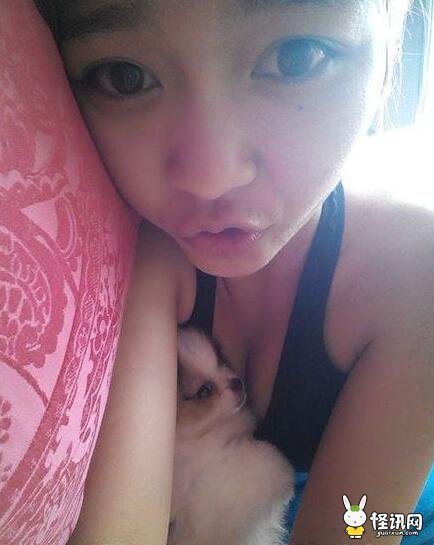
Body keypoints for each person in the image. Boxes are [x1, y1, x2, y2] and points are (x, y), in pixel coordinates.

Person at [34, 1, 434, 544]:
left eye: (297, 56)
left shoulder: (415, 276)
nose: (211, 176)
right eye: (125, 76)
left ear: (391, 44)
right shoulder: (145, 251)